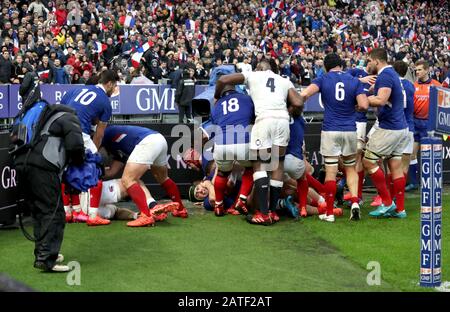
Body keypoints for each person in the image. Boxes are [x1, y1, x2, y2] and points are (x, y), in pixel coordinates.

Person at [11, 68, 85, 272]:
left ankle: (44, 253)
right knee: (53, 212)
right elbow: (76, 145)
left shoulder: (24, 114)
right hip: (42, 167)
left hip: (21, 167)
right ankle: (46, 259)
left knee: (39, 211)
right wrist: (79, 163)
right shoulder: (64, 114)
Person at [214, 59, 303, 225]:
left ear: (259, 68)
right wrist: (287, 111)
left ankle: (262, 213)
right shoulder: (284, 80)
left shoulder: (254, 75)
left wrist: (216, 96)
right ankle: (273, 211)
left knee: (259, 164)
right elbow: (298, 102)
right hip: (282, 120)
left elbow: (223, 80)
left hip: (264, 120)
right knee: (277, 164)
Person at [299, 53, 369, 222]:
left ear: (325, 66)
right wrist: (352, 108)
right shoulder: (354, 81)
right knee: (351, 168)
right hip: (350, 129)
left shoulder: (323, 79)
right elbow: (364, 105)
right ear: (342, 65)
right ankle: (354, 203)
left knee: (330, 171)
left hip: (331, 129)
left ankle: (329, 212)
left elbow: (305, 94)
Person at [61, 70, 119, 226]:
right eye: (114, 86)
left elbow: (61, 106)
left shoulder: (78, 89)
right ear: (109, 83)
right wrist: (94, 152)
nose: (114, 90)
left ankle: (69, 212)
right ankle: (93, 215)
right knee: (97, 169)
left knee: (66, 170)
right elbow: (99, 135)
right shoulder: (105, 102)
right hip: (80, 133)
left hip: (60, 129)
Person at [102, 125, 188, 227]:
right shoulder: (115, 149)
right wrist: (97, 172)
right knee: (163, 178)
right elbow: (112, 171)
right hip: (159, 140)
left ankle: (145, 216)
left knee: (128, 180)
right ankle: (181, 209)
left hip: (148, 142)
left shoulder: (104, 133)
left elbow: (95, 147)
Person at [363, 48, 409, 218]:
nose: (368, 64)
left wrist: (362, 99)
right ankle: (400, 209)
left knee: (368, 161)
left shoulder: (385, 75)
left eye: (369, 61)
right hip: (401, 128)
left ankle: (388, 202)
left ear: (376, 61)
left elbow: (381, 100)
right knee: (395, 168)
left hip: (390, 128)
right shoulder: (392, 75)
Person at [210, 84, 254, 216]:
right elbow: (253, 118)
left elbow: (216, 122)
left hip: (221, 142)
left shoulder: (217, 105)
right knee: (251, 169)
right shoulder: (247, 98)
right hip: (243, 140)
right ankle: (242, 199)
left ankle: (218, 205)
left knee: (222, 173)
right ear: (234, 88)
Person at [406, 60, 441, 191]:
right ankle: (414, 183)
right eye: (416, 70)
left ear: (427, 70)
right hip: (415, 122)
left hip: (429, 124)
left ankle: (431, 181)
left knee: (429, 154)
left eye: (420, 69)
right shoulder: (413, 86)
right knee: (412, 154)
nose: (417, 72)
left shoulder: (436, 85)